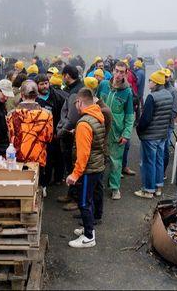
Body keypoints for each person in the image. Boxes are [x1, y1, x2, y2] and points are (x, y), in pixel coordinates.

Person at [66, 88, 106, 248]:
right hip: (98, 165)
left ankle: (89, 236)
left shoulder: (84, 123)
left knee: (84, 202)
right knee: (91, 199)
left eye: (76, 103)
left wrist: (75, 174)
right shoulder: (97, 115)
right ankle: (87, 229)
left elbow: (83, 154)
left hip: (88, 169)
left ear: (80, 102)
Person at [96, 61, 135, 200]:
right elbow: (94, 102)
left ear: (126, 73)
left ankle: (114, 187)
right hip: (99, 128)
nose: (119, 74)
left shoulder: (127, 91)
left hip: (116, 131)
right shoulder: (103, 85)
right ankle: (96, 186)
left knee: (116, 161)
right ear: (112, 70)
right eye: (117, 71)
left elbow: (130, 115)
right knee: (98, 158)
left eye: (122, 72)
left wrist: (126, 134)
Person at [7, 80, 54, 194]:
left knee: (20, 190)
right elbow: (49, 138)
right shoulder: (47, 114)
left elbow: (10, 137)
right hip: (38, 157)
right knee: (36, 190)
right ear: (37, 95)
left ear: (22, 95)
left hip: (18, 157)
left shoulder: (12, 115)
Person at [135, 71, 173, 198]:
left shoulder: (152, 97)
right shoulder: (168, 94)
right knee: (159, 160)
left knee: (148, 162)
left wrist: (139, 130)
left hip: (150, 135)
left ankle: (148, 190)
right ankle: (158, 187)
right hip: (162, 134)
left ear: (156, 83)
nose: (149, 83)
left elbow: (145, 119)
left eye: (151, 81)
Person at [55, 65, 85, 210]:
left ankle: (76, 199)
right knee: (72, 167)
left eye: (63, 76)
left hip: (71, 135)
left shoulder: (74, 92)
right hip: (76, 133)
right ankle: (71, 194)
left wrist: (60, 133)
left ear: (67, 75)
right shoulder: (80, 86)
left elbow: (71, 118)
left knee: (73, 167)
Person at [36, 74, 68, 190]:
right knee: (42, 158)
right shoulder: (33, 97)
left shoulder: (57, 97)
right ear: (36, 85)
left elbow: (62, 116)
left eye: (46, 83)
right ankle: (42, 180)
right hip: (37, 135)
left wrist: (57, 131)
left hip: (53, 133)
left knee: (55, 155)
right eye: (41, 84)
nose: (45, 86)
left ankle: (56, 179)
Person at [161, 68, 177, 181]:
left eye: (166, 76)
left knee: (164, 149)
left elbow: (174, 111)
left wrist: (164, 120)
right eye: (163, 76)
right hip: (158, 125)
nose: (164, 78)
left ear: (169, 78)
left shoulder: (173, 91)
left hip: (167, 125)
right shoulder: (158, 89)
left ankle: (162, 172)